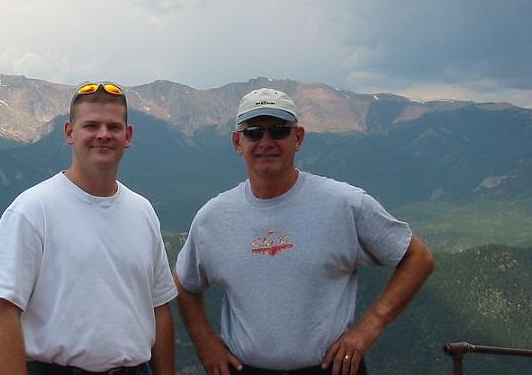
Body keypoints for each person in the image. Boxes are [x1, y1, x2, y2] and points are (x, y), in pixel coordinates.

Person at [174, 88, 434, 375]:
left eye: (279, 131)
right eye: (254, 133)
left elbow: (418, 258)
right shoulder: (213, 217)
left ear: (298, 138)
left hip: (329, 368)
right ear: (238, 141)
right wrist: (204, 341)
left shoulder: (344, 204)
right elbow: (185, 281)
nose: (266, 142)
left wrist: (370, 326)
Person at [0, 82, 177, 375]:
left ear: (128, 136)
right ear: (70, 132)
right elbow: (1, 309)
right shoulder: (32, 209)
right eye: (91, 125)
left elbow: (159, 309)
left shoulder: (142, 211)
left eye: (113, 126)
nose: (103, 135)